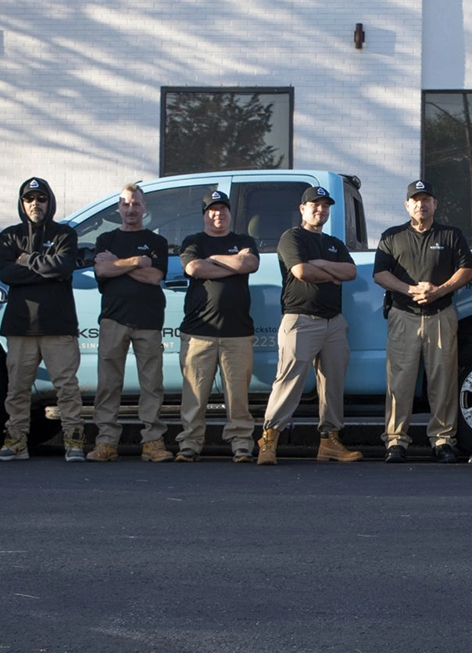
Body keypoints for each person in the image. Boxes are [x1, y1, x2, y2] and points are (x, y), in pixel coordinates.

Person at [374, 180, 472, 464]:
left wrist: (439, 291)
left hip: (441, 315)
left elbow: (467, 270)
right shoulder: (392, 236)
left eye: (426, 199)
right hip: (403, 315)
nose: (421, 204)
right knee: (399, 382)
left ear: (435, 204)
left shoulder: (451, 235)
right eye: (415, 200)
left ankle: (442, 440)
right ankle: (396, 441)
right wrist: (410, 289)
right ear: (407, 205)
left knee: (443, 381)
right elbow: (380, 274)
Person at [258, 185, 358, 466]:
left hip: (334, 322)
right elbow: (301, 271)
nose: (320, 210)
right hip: (301, 320)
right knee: (288, 381)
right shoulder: (292, 237)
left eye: (325, 206)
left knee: (333, 384)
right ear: (302, 209)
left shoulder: (334, 244)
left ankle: (329, 442)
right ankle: (269, 439)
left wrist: (321, 263)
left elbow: (350, 271)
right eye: (315, 205)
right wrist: (332, 274)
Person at [0, 177, 85, 461]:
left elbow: (63, 267)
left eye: (41, 198)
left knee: (67, 388)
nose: (35, 204)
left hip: (58, 325)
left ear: (50, 202)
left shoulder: (64, 234)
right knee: (17, 390)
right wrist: (44, 268)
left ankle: (74, 442)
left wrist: (26, 261)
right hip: (21, 326)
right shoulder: (9, 236)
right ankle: (16, 442)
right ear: (22, 204)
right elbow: (6, 273)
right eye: (29, 199)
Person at [88, 183, 172, 463]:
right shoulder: (106, 240)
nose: (131, 209)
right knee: (108, 383)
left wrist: (118, 265)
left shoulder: (157, 241)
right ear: (118, 208)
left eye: (136, 204)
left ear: (144, 207)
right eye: (125, 204)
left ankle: (153, 442)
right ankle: (106, 441)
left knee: (152, 384)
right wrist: (137, 261)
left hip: (148, 319)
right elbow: (102, 269)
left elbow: (154, 277)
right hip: (113, 318)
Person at [175, 189, 260, 462]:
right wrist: (234, 264)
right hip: (198, 332)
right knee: (194, 395)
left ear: (229, 213)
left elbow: (250, 263)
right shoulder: (193, 241)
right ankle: (190, 444)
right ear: (204, 214)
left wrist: (213, 259)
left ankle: (241, 444)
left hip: (238, 332)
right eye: (212, 209)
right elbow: (194, 269)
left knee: (238, 397)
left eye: (223, 209)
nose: (218, 214)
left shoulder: (243, 240)